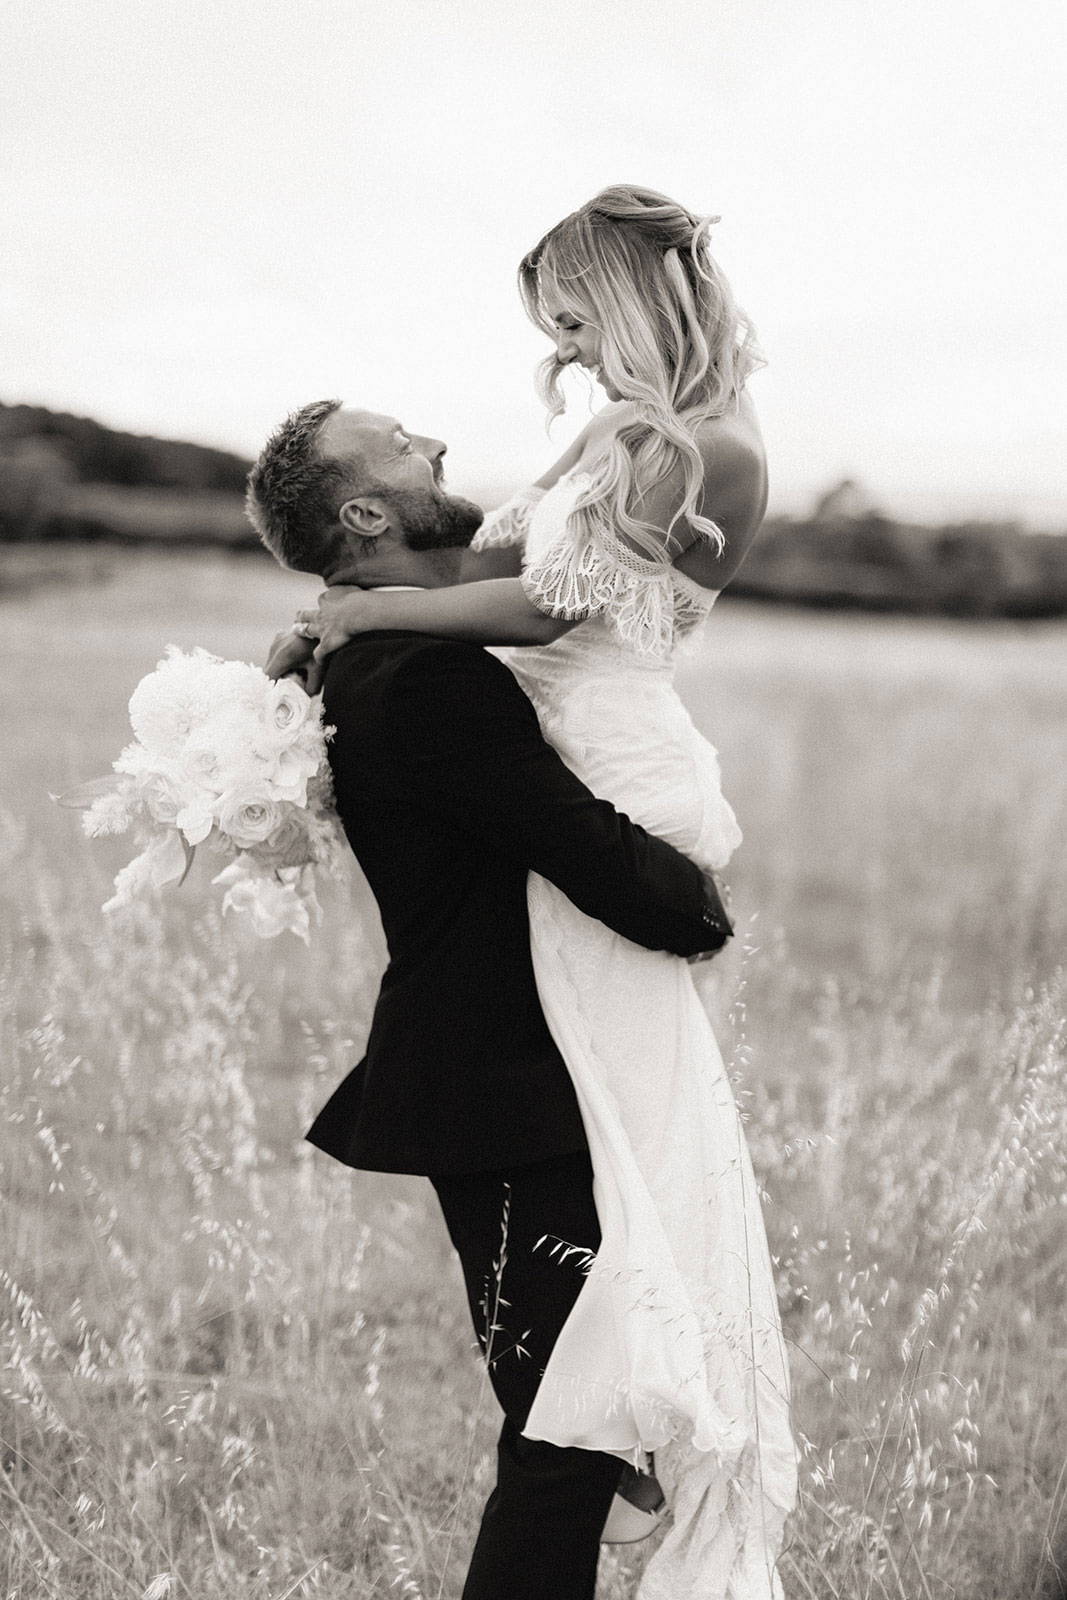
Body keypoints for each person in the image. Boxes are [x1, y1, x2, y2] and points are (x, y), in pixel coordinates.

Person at [270, 185, 797, 1598]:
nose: (559, 348)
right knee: (581, 1318)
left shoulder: (701, 447)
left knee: (617, 1109)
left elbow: (555, 605)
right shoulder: (618, 431)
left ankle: (624, 1369)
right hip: (555, 771)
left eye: (572, 314)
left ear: (625, 295)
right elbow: (498, 559)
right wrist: (341, 622)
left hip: (616, 754)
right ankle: (620, 1366)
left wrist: (372, 610)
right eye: (550, 326)